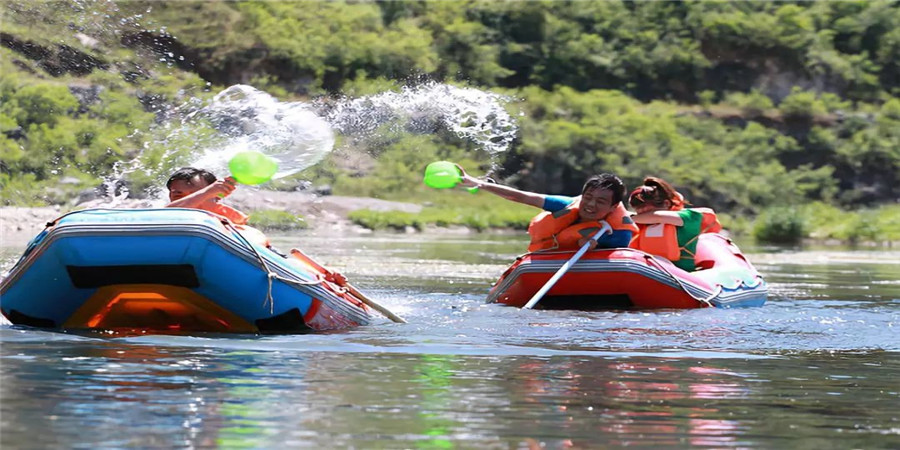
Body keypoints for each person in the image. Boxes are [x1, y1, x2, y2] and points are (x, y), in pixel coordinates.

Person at [457, 166, 638, 252]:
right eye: (588, 198)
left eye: (600, 201)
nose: (590, 205)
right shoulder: (565, 205)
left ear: (613, 206)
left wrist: (596, 247)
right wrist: (478, 184)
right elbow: (521, 196)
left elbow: (615, 257)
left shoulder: (620, 234)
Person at [628, 176, 722, 271]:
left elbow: (658, 216)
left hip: (683, 274)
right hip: (650, 270)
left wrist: (629, 218)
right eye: (638, 209)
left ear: (666, 204)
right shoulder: (640, 222)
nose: (641, 212)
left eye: (646, 207)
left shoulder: (691, 217)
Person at [165, 167, 269, 248]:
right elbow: (168, 212)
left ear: (217, 197)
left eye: (196, 194)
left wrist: (209, 191)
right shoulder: (160, 220)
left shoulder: (237, 230)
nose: (188, 200)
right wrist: (207, 192)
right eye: (178, 195)